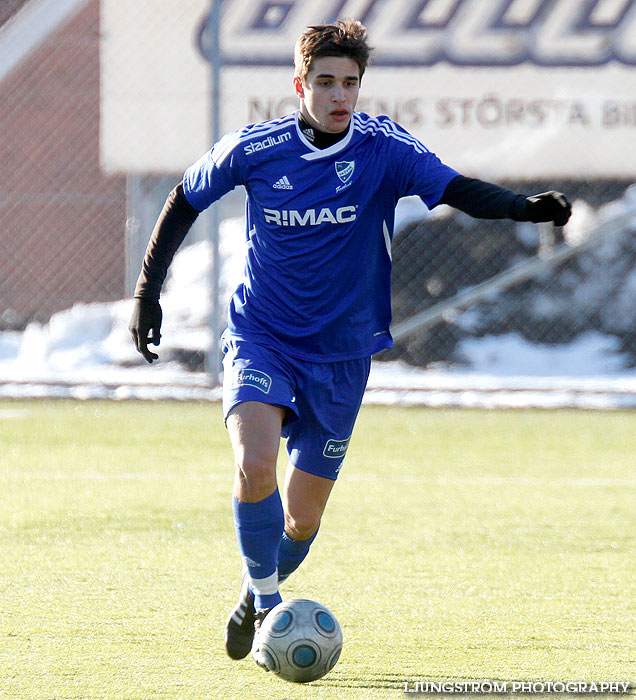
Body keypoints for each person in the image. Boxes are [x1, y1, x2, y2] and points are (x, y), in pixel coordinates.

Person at [129, 19, 571, 668]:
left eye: (351, 84)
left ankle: (256, 597)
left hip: (341, 358)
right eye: (327, 83)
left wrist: (522, 209)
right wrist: (148, 290)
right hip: (263, 338)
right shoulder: (257, 149)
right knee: (254, 466)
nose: (341, 96)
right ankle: (265, 593)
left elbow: (453, 188)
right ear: (300, 85)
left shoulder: (383, 149)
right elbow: (184, 196)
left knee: (301, 520)